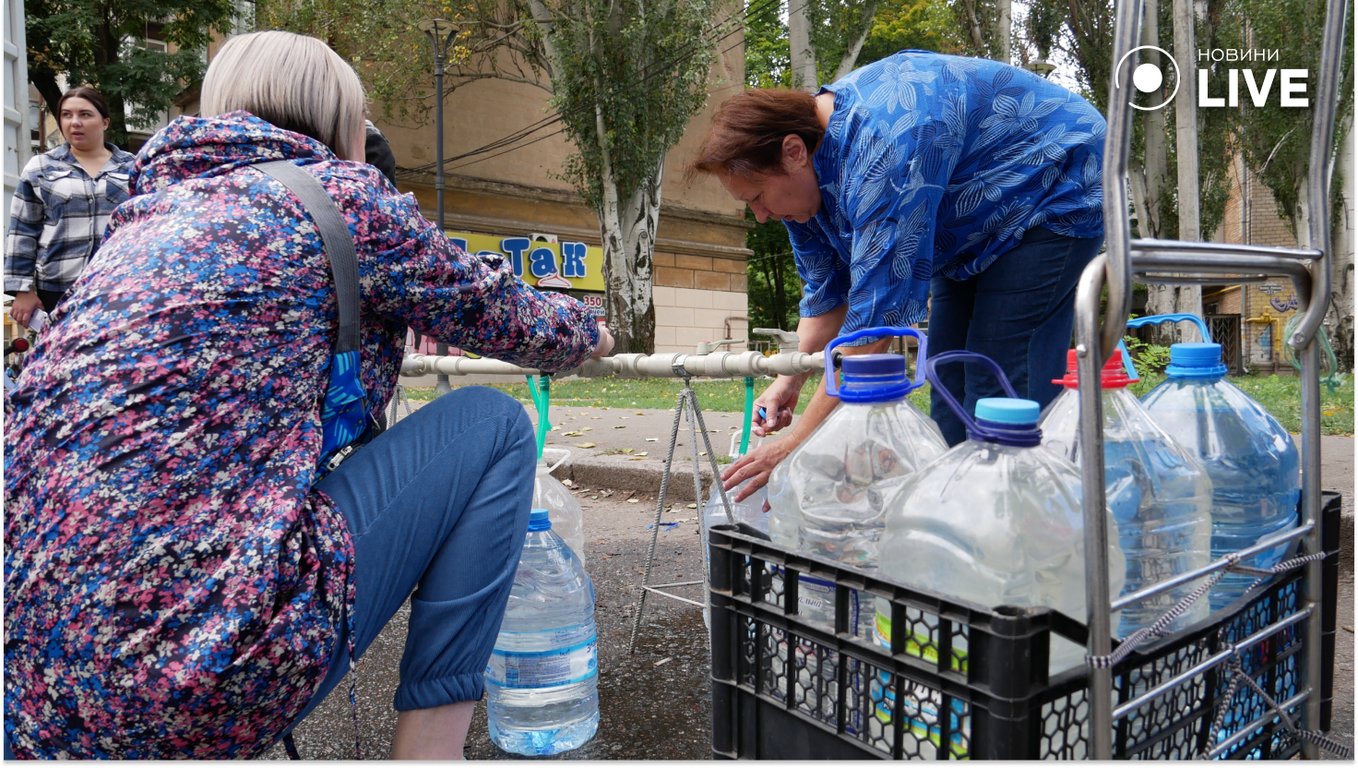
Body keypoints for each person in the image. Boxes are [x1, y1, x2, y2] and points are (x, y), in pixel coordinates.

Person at [3, 30, 613, 760]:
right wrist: (595, 333)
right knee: (492, 424)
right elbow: (515, 320)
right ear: (339, 123)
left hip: (36, 691)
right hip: (194, 678)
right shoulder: (337, 195)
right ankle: (432, 754)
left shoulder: (138, 226)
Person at [689, 50, 1106, 498]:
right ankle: (964, 522)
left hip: (1052, 183)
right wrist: (789, 379)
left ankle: (1022, 530)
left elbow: (872, 333)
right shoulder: (801, 189)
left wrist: (796, 442)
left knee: (997, 388)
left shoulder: (884, 150)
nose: (761, 215)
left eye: (758, 197)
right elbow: (829, 294)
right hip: (965, 224)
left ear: (792, 152)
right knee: (948, 384)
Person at [5, 86, 136, 327]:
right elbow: (22, 231)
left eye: (85, 114)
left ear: (105, 122)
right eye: (67, 115)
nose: (75, 122)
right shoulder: (41, 167)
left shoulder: (133, 168)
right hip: (57, 289)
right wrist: (21, 290)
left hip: (119, 285)